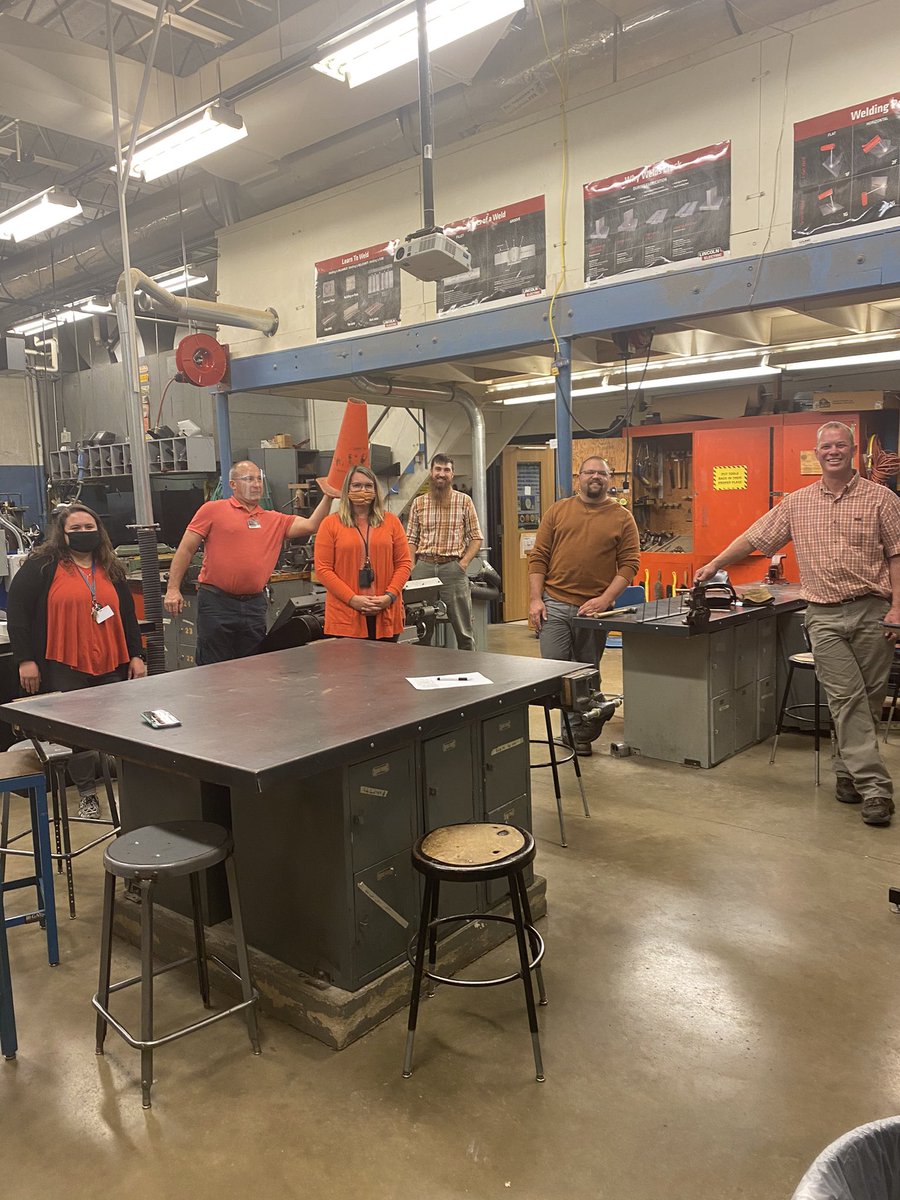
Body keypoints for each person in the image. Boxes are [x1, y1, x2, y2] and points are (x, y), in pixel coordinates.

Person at [695, 420, 900, 827]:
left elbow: (897, 556)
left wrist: (898, 608)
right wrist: (716, 563)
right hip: (822, 615)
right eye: (826, 446)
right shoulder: (797, 503)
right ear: (817, 452)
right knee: (846, 698)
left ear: (853, 450)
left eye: (841, 445)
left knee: (868, 700)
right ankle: (876, 788)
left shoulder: (883, 499)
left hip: (873, 610)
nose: (833, 451)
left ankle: (846, 773)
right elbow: (754, 537)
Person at [6, 503, 146, 819]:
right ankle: (87, 795)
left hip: (111, 660)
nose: (84, 533)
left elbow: (127, 616)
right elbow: (17, 612)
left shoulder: (110, 566)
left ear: (99, 531)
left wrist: (137, 655)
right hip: (64, 661)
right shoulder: (44, 565)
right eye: (76, 529)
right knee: (78, 732)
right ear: (63, 534)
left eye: (89, 528)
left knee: (115, 728)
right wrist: (25, 659)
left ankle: (125, 792)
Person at [164, 461, 335, 665]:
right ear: (233, 484)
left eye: (258, 479)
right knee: (214, 667)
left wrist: (328, 496)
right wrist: (173, 588)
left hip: (253, 605)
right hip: (217, 602)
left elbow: (311, 525)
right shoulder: (212, 510)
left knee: (253, 665)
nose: (256, 484)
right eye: (249, 479)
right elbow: (186, 549)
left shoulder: (274, 519)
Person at [528, 456, 641, 755]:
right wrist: (535, 599)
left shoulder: (622, 517)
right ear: (579, 477)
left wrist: (605, 599)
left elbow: (629, 564)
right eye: (590, 472)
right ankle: (582, 722)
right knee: (556, 673)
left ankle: (578, 734)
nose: (595, 477)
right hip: (555, 603)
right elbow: (538, 556)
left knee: (587, 672)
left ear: (610, 479)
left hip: (593, 612)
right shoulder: (558, 511)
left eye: (602, 473)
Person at [314, 466, 412, 641]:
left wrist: (389, 596)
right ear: (347, 490)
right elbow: (323, 569)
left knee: (386, 666)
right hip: (346, 612)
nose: (363, 491)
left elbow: (404, 563)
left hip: (385, 610)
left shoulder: (392, 522)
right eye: (357, 486)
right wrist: (352, 599)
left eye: (368, 486)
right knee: (351, 667)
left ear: (375, 491)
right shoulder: (330, 524)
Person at [406, 454, 483, 651]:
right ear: (431, 473)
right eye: (438, 469)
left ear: (452, 474)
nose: (442, 474)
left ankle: (469, 671)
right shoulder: (418, 503)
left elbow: (476, 537)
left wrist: (463, 563)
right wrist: (413, 566)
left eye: (446, 470)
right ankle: (423, 673)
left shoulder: (464, 501)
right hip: (424, 567)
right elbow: (411, 539)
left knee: (464, 630)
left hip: (453, 568)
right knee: (421, 627)